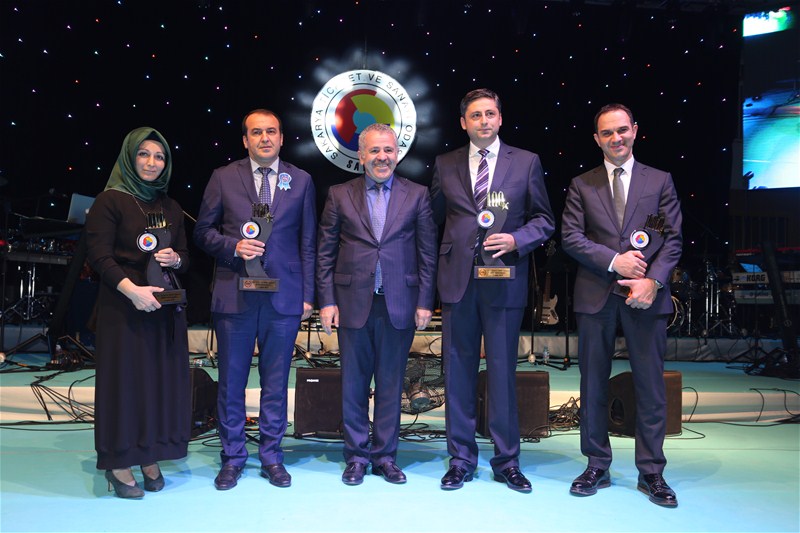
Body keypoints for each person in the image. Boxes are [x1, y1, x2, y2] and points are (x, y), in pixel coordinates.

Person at [430, 89, 555, 492]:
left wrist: (517, 240)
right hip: (458, 283)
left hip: (504, 281)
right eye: (475, 115)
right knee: (457, 374)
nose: (483, 121)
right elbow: (432, 221)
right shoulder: (445, 163)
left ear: (500, 118)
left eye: (489, 114)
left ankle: (507, 461)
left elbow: (544, 220)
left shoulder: (527, 162)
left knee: (502, 373)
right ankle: (461, 459)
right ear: (463, 123)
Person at [561, 103, 682, 507]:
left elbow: (672, 239)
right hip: (595, 294)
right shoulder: (582, 184)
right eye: (607, 133)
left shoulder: (659, 181)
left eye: (622, 130)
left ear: (635, 130)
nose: (616, 138)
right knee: (593, 383)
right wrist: (615, 261)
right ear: (597, 139)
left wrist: (653, 280)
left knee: (650, 386)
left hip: (646, 296)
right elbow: (571, 237)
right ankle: (597, 464)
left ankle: (652, 471)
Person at [194, 109, 316, 490]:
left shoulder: (301, 180)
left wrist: (308, 295)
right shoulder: (223, 177)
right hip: (235, 295)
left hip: (284, 297)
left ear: (282, 138)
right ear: (245, 140)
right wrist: (234, 246)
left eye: (272, 132)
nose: (265, 138)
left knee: (276, 383)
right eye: (257, 132)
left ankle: (272, 457)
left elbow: (309, 243)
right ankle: (232, 457)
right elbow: (202, 232)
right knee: (231, 382)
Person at [317, 122, 437, 486]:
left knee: (390, 386)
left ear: (397, 154)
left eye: (388, 150)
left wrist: (425, 301)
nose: (382, 157)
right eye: (374, 150)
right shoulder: (339, 194)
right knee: (353, 386)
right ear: (361, 155)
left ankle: (385, 456)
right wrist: (326, 300)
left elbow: (427, 253)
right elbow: (325, 253)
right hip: (352, 303)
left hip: (400, 303)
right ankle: (356, 456)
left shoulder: (418, 195)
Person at [86, 127, 191, 499]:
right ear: (130, 158)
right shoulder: (109, 200)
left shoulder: (171, 206)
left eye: (159, 156)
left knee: (157, 385)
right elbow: (99, 256)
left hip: (163, 310)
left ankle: (149, 454)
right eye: (144, 154)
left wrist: (175, 259)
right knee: (124, 386)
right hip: (123, 307)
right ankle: (118, 461)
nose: (152, 162)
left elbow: (185, 257)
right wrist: (131, 291)